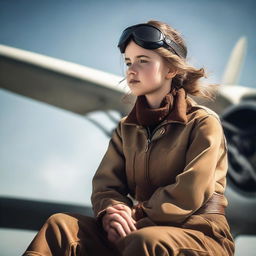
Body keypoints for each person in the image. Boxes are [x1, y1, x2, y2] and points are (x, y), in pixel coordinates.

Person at [23, 20, 235, 256]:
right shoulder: (126, 129)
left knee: (144, 241)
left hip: (200, 233)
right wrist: (111, 214)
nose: (131, 70)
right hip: (136, 228)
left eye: (143, 61)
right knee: (60, 226)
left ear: (171, 70)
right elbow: (105, 186)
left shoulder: (204, 122)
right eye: (128, 62)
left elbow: (191, 191)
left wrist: (135, 215)